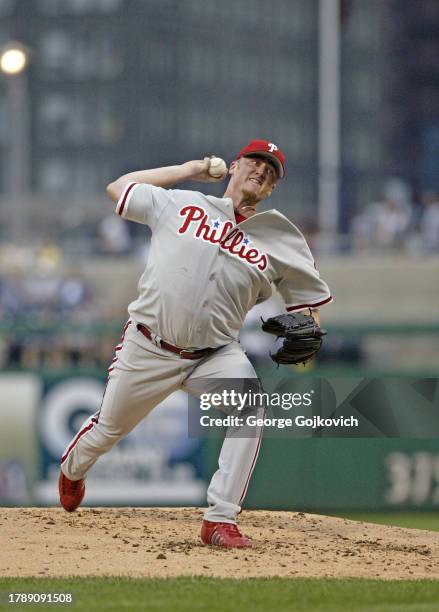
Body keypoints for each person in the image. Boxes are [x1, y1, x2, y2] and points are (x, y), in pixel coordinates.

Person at [59, 139, 332, 548]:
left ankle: (220, 519)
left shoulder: (282, 239)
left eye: (271, 171)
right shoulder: (183, 203)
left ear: (273, 188)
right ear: (235, 166)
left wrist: (310, 327)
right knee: (108, 430)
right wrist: (190, 168)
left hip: (215, 354)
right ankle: (73, 470)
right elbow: (119, 187)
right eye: (256, 162)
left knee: (250, 407)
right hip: (149, 346)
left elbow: (310, 306)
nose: (262, 171)